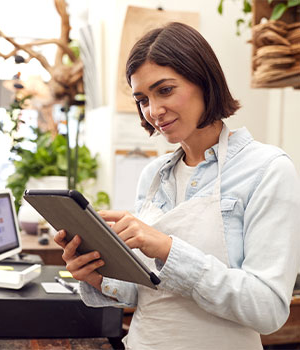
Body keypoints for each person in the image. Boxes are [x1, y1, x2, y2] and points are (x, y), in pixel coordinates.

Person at [54, 22, 300, 350]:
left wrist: (169, 250)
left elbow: (267, 310)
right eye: (142, 99)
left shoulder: (267, 169)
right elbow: (148, 289)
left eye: (165, 90)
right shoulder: (154, 176)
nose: (153, 111)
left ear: (203, 80)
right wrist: (96, 274)